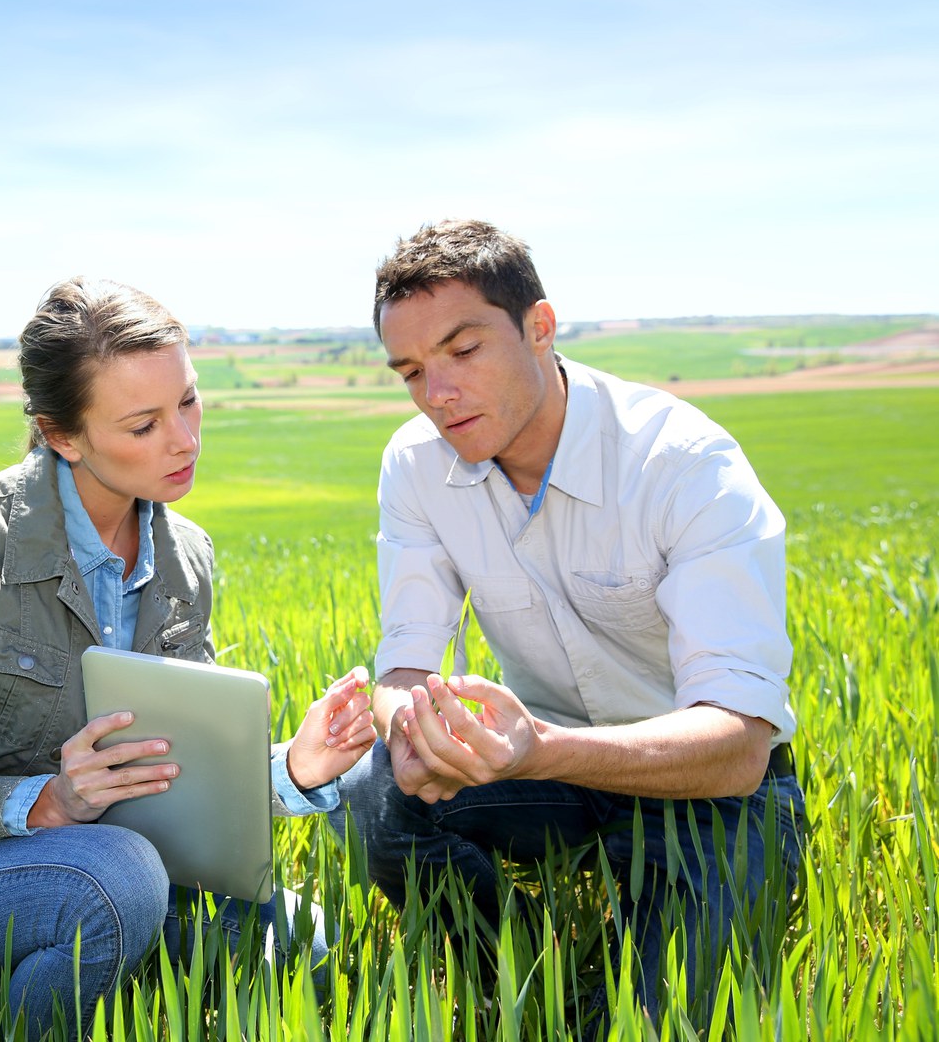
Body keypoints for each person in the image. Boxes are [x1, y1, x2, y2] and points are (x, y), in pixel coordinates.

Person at [0, 276, 376, 1041]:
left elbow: (172, 774)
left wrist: (294, 770)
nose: (185, 439)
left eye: (189, 403)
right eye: (144, 424)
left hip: (99, 869)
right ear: (62, 434)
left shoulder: (187, 557)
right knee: (119, 879)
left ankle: (70, 965)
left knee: (303, 937)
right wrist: (43, 803)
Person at [335, 220, 806, 1024]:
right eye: (411, 370)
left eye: (463, 350)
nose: (436, 392)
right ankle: (526, 977)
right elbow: (404, 665)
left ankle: (608, 999)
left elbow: (738, 745)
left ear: (540, 329)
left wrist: (541, 749)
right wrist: (415, 733)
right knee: (371, 793)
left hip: (704, 788)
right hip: (543, 768)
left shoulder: (682, 463)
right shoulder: (415, 463)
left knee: (659, 1022)